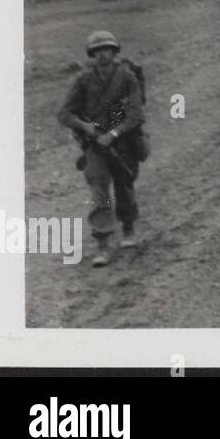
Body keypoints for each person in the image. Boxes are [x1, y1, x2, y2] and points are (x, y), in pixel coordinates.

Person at [57, 30, 145, 267]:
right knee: (98, 188)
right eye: (97, 52)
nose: (102, 55)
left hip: (123, 141)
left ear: (114, 52)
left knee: (124, 186)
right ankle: (103, 243)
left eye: (107, 49)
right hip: (95, 144)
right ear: (92, 55)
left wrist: (114, 133)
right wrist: (86, 127)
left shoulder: (127, 76)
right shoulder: (82, 80)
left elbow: (136, 113)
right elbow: (64, 113)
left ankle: (128, 228)